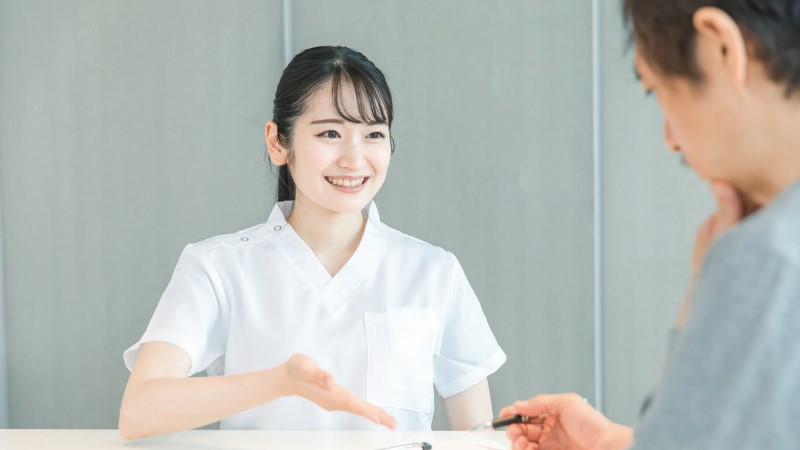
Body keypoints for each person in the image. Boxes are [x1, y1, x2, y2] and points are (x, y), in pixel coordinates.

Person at [118, 46, 505, 439]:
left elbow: (478, 434)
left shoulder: (434, 271)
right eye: (330, 133)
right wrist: (280, 382)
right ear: (278, 143)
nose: (354, 159)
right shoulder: (218, 267)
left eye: (373, 134)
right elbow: (139, 413)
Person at [502, 1, 800, 449]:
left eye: (655, 89)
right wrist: (614, 442)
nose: (670, 139)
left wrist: (705, 298)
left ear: (719, 48)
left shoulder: (767, 256)